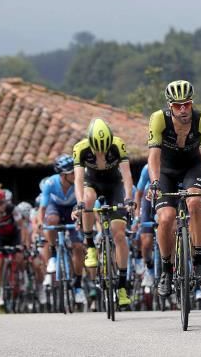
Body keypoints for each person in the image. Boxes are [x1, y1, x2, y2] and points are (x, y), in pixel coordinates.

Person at [147, 80, 201, 297]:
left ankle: (199, 260)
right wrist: (155, 182)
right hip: (166, 171)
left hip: (192, 168)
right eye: (178, 106)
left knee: (195, 202)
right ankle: (167, 270)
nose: (183, 109)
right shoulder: (159, 119)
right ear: (170, 106)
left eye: (186, 104)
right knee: (166, 217)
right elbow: (154, 156)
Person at [71, 118, 136, 308]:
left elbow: (127, 177)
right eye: (96, 150)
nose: (100, 153)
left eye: (104, 149)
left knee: (119, 234)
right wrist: (80, 204)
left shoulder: (118, 145)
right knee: (88, 200)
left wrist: (129, 199)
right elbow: (78, 180)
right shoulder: (80, 148)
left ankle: (122, 287)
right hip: (92, 183)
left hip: (114, 185)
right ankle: (90, 245)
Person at [37, 154, 86, 304]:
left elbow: (84, 205)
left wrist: (82, 222)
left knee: (78, 246)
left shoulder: (79, 183)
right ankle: (53, 255)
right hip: (55, 208)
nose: (75, 174)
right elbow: (43, 207)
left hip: (73, 210)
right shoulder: (51, 183)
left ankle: (78, 285)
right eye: (72, 173)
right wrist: (40, 223)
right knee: (51, 220)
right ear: (63, 175)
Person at [134, 164, 155, 289]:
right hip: (148, 202)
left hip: (168, 198)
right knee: (146, 241)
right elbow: (138, 193)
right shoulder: (147, 168)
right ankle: (149, 267)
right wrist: (137, 217)